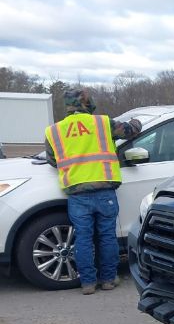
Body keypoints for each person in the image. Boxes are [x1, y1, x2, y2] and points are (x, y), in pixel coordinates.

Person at [44, 89, 142, 295]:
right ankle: (107, 280)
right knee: (107, 236)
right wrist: (137, 121)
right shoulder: (102, 123)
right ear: (88, 104)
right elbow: (131, 131)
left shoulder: (53, 131)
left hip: (77, 194)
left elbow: (53, 160)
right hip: (104, 190)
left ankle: (88, 283)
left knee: (83, 238)